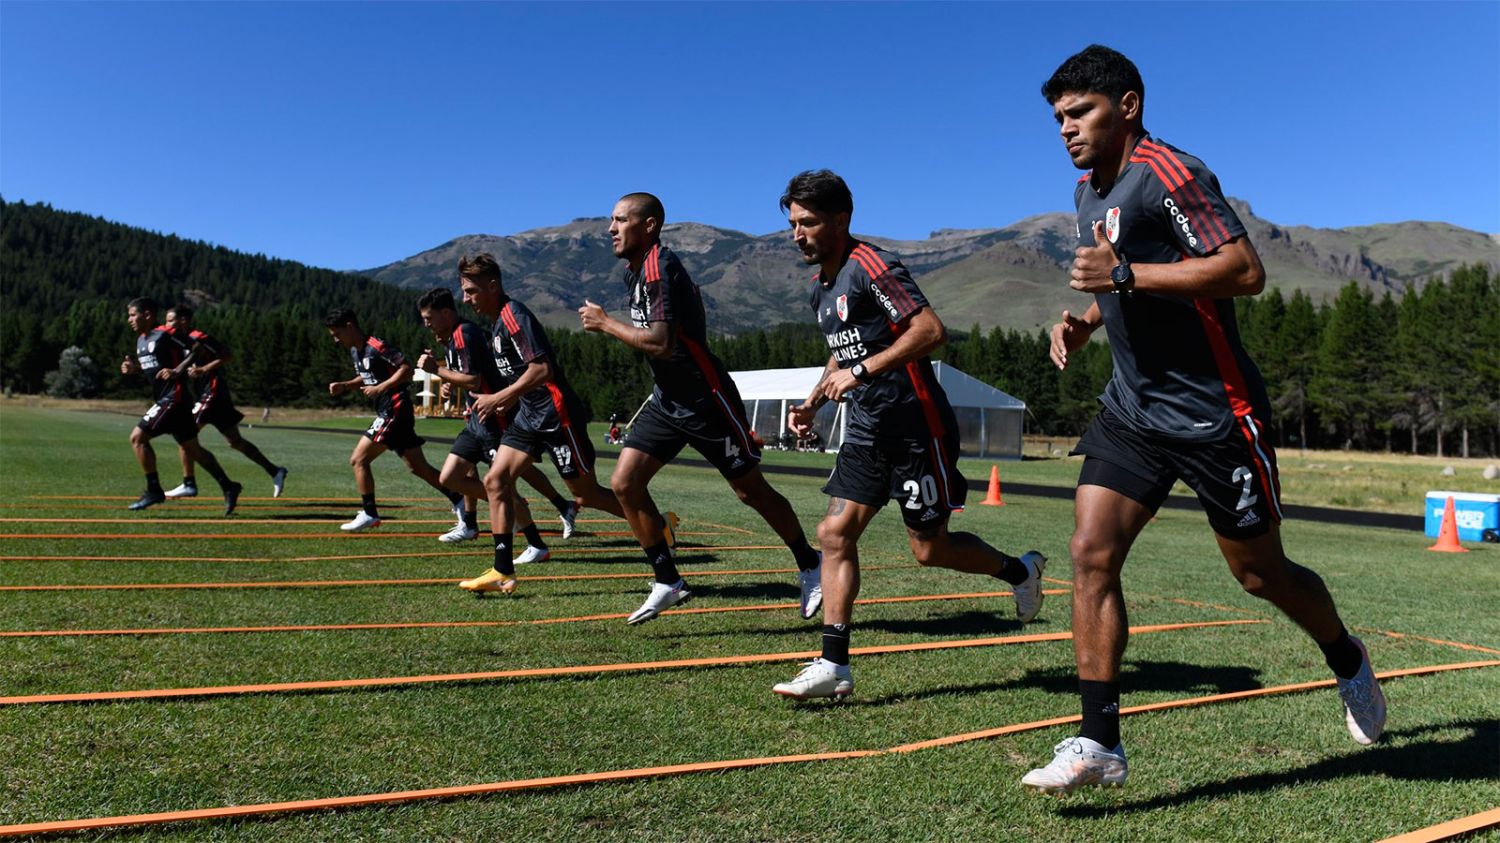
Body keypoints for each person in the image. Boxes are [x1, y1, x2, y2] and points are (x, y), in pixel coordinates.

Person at [1022, 45, 1385, 794]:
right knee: (1090, 550)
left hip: (1216, 414)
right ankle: (1099, 742)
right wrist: (1092, 317)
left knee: (1261, 573)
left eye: (1080, 112)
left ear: (1127, 105)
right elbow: (1127, 278)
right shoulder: (1090, 191)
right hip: (1132, 410)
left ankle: (1346, 655)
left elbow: (1243, 270)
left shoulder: (1170, 172)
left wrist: (1123, 275)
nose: (1066, 129)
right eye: (1057, 117)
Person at [771, 171, 1046, 700]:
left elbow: (929, 331)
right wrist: (811, 401)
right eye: (792, 225)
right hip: (868, 429)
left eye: (808, 223)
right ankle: (834, 664)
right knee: (834, 534)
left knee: (929, 549)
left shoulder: (871, 265)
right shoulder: (820, 289)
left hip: (919, 427)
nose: (797, 235)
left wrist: (864, 371)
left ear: (841, 219)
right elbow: (843, 349)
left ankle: (1020, 570)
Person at [579, 192, 824, 625]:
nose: (611, 228)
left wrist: (605, 324)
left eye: (620, 220)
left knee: (751, 491)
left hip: (705, 400)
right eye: (610, 221)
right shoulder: (634, 272)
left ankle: (810, 563)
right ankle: (668, 580)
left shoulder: (658, 266)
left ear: (649, 225)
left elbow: (660, 342)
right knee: (624, 483)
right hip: (667, 400)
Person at [452, 254, 630, 595]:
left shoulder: (514, 315)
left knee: (585, 494)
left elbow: (543, 370)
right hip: (528, 416)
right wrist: (496, 400)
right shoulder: (497, 325)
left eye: (471, 291)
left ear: (492, 286)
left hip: (555, 414)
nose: (466, 299)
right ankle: (502, 570)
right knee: (495, 480)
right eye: (464, 291)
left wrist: (499, 398)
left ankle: (656, 525)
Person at [414, 287, 575, 564]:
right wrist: (448, 385)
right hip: (474, 421)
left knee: (502, 484)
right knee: (449, 478)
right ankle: (503, 507)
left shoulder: (464, 333)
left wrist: (436, 371)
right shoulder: (451, 339)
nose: (426, 323)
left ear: (445, 312)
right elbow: (465, 377)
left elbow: (475, 381)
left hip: (493, 420)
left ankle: (534, 540)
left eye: (429, 317)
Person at [323, 306, 465, 533]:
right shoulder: (355, 351)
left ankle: (369, 513)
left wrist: (381, 388)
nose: (336, 340)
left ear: (349, 326)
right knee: (418, 467)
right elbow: (368, 374)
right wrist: (347, 385)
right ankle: (460, 501)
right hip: (389, 410)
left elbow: (406, 368)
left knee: (358, 460)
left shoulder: (376, 346)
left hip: (394, 409)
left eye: (337, 334)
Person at [120, 297, 242, 514]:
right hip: (169, 400)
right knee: (193, 449)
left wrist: (179, 370)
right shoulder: (141, 340)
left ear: (147, 314)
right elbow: (154, 370)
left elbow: (196, 348)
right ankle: (229, 486)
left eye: (132, 315)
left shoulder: (166, 333)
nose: (129, 319)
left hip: (174, 398)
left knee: (137, 438)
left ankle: (154, 490)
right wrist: (135, 370)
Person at [161, 305, 288, 500]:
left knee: (184, 433)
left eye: (170, 320)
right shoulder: (181, 342)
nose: (166, 324)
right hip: (210, 395)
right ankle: (275, 471)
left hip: (213, 391)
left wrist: (203, 369)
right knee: (235, 442)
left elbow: (226, 355)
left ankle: (189, 483)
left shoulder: (199, 337)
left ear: (184, 321)